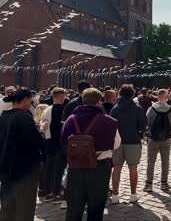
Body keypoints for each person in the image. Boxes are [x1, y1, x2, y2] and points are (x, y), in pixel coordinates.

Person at [61, 88, 120, 221]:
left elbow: (63, 142)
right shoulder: (108, 120)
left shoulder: (71, 119)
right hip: (99, 167)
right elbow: (116, 144)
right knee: (96, 208)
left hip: (76, 166)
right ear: (99, 102)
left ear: (82, 100)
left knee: (74, 208)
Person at [0, 88, 46, 221]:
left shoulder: (3, 117)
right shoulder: (24, 118)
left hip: (6, 167)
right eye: (30, 102)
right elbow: (37, 141)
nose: (31, 104)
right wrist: (42, 130)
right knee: (25, 206)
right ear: (25, 100)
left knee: (7, 205)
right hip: (25, 169)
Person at [110, 85, 146, 204]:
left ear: (120, 94)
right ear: (132, 94)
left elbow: (111, 127)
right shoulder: (138, 108)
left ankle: (115, 196)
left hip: (118, 141)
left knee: (117, 169)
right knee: (133, 169)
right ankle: (133, 195)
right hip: (133, 140)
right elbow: (142, 126)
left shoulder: (115, 108)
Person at [143, 89, 171, 192]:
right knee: (165, 161)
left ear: (157, 97)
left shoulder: (151, 109)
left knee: (151, 161)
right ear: (166, 97)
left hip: (153, 138)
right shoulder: (170, 109)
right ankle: (164, 183)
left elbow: (147, 122)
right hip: (166, 139)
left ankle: (149, 184)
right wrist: (168, 133)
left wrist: (150, 133)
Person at [39, 87, 67, 202]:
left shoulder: (47, 109)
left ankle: (47, 192)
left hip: (48, 142)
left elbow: (42, 125)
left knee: (48, 168)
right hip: (60, 143)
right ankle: (56, 194)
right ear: (61, 97)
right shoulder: (64, 110)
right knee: (58, 169)